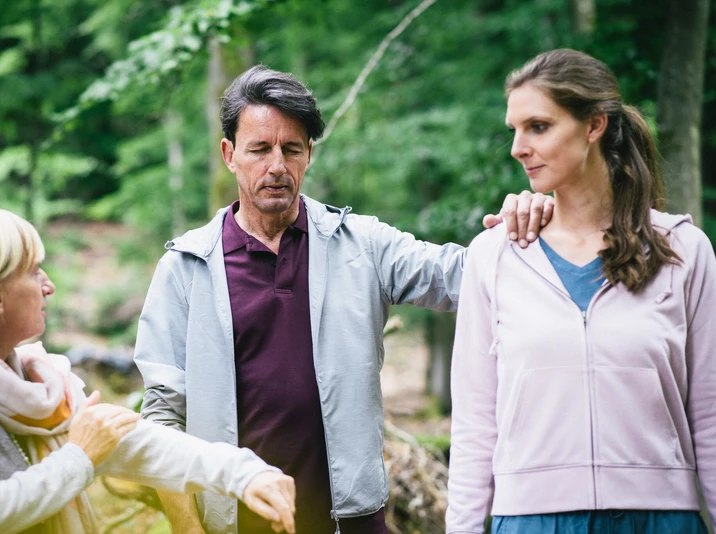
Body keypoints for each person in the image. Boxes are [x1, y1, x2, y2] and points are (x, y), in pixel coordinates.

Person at [133, 65, 553, 534]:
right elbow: (162, 418)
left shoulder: (362, 245)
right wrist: (190, 528)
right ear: (229, 154)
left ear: (309, 153)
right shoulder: (186, 267)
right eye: (259, 149)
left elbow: (462, 277)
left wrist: (537, 224)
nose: (277, 166)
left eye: (291, 149)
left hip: (352, 521)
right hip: (235, 523)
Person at [445, 48, 716, 534]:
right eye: (514, 130)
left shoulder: (684, 251)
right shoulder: (496, 255)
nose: (518, 147)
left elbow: (711, 414)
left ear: (594, 125)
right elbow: (473, 425)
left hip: (660, 519)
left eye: (538, 127)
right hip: (531, 521)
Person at [0, 208, 298, 534]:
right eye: (33, 272)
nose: (48, 285)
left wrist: (245, 473)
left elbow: (139, 444)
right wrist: (79, 458)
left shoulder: (43, 379)